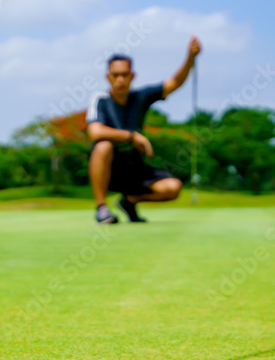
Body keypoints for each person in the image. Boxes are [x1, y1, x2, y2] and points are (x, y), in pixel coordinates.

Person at [86, 36, 202, 224]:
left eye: (125, 74)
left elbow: (174, 83)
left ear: (132, 76)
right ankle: (101, 208)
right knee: (103, 146)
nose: (120, 79)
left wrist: (190, 57)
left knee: (173, 187)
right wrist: (132, 136)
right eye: (115, 75)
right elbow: (95, 132)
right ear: (108, 77)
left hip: (135, 168)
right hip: (108, 168)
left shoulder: (140, 97)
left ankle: (129, 201)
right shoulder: (100, 99)